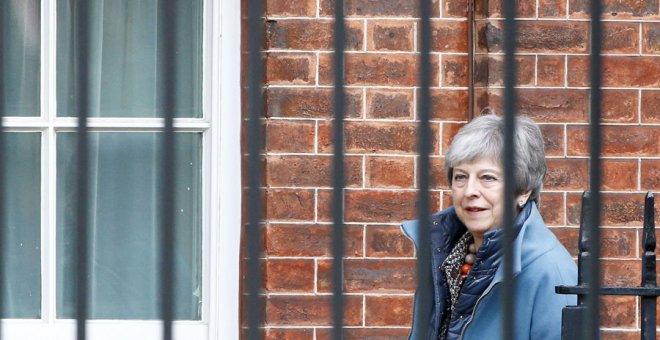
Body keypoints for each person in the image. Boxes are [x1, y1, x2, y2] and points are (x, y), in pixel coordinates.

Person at [401, 114, 577, 339]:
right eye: (461, 177)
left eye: (488, 178)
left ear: (524, 190)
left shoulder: (551, 272)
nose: (470, 190)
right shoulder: (445, 256)